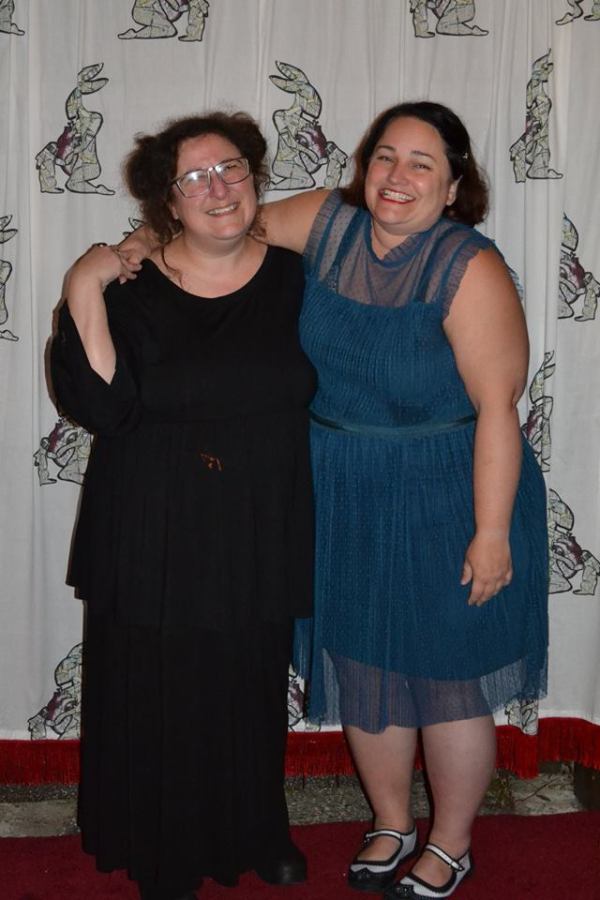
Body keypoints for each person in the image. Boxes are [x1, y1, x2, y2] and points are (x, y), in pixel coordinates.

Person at [118, 100, 549, 899]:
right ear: (363, 164)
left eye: (422, 163)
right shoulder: (327, 222)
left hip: (448, 491)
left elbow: (499, 408)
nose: (397, 176)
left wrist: (491, 532)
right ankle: (391, 821)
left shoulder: (468, 266)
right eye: (385, 156)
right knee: (364, 666)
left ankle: (451, 843)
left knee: (447, 681)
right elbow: (219, 228)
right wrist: (131, 248)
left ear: (455, 185)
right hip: (341, 488)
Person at [50, 111, 317, 900]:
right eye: (193, 177)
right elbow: (103, 407)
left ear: (256, 178)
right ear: (166, 201)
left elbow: (364, 204)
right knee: (158, 690)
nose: (218, 187)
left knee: (250, 682)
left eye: (232, 168)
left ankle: (256, 826)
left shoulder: (301, 278)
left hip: (259, 517)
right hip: (153, 521)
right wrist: (83, 282)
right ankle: (160, 841)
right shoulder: (130, 291)